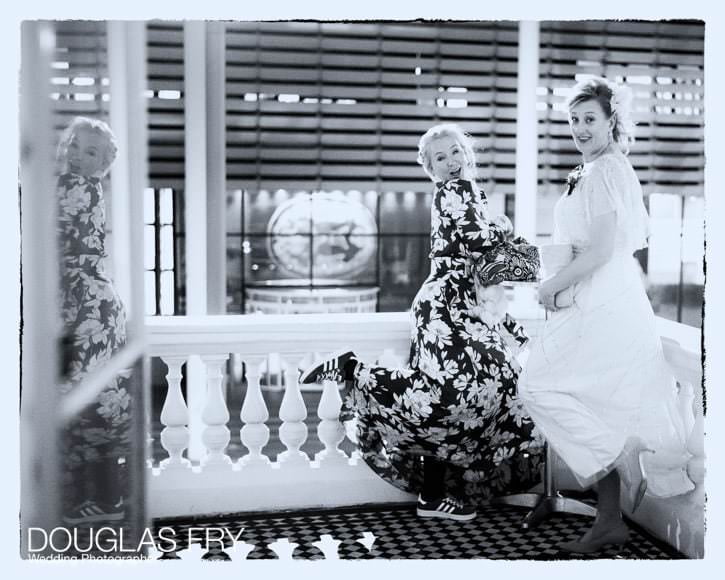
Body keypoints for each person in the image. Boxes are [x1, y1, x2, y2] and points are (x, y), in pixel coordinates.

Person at [300, 123, 543, 521]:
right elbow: (480, 248)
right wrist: (526, 255)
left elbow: (479, 250)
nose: (451, 162)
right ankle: (354, 371)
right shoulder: (456, 191)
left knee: (440, 398)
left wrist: (500, 235)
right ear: (430, 169)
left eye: (455, 153)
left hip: (459, 305)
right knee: (474, 389)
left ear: (468, 154)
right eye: (440, 158)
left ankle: (434, 494)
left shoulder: (471, 194)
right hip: (447, 306)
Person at [518, 77, 694, 553]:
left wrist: (553, 285)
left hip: (604, 299)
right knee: (587, 401)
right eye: (573, 120)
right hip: (600, 295)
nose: (579, 128)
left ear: (611, 120)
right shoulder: (599, 169)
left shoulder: (603, 172)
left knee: (535, 385)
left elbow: (599, 251)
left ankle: (619, 458)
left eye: (589, 119)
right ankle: (610, 517)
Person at [56, 117, 132, 524]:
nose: (77, 156)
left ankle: (89, 500)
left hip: (84, 308)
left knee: (81, 401)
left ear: (103, 164)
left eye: (89, 152)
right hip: (94, 305)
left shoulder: (72, 188)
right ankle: (105, 498)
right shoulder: (86, 189)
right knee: (101, 402)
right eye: (73, 145)